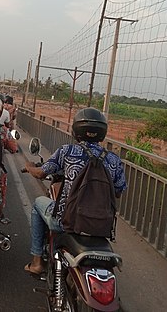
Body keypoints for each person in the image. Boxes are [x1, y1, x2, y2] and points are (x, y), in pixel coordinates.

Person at [23, 107, 127, 276]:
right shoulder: (113, 159)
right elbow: (118, 192)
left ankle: (36, 262)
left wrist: (29, 167)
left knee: (37, 204)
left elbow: (42, 173)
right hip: (101, 225)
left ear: (76, 130)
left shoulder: (68, 151)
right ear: (102, 131)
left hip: (66, 221)